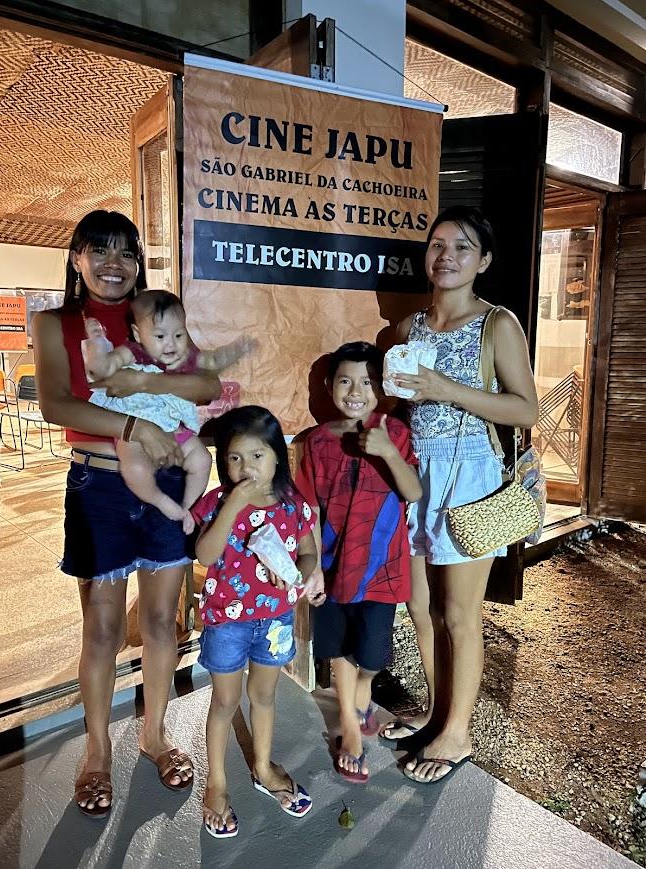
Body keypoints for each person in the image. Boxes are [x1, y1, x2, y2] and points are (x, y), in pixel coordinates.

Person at [34, 210, 221, 817]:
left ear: (139, 262)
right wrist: (135, 422)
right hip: (100, 487)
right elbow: (55, 404)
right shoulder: (55, 322)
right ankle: (95, 755)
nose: (114, 264)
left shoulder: (155, 316)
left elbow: (205, 385)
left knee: (164, 622)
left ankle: (154, 735)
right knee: (104, 629)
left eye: (126, 253)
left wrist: (149, 392)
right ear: (76, 258)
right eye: (99, 251)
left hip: (167, 480)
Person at [379, 206, 539, 785]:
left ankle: (458, 734)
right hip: (417, 474)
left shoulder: (497, 323)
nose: (446, 256)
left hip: (469, 475)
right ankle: (436, 710)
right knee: (419, 607)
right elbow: (401, 408)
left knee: (458, 613)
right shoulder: (409, 329)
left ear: (484, 261)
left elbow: (527, 407)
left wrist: (448, 388)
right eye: (438, 244)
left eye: (462, 247)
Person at [295, 342, 422, 784]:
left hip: (382, 566)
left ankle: (364, 690)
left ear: (382, 388)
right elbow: (307, 508)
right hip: (331, 567)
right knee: (336, 648)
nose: (356, 391)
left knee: (371, 653)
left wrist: (387, 449)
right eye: (346, 381)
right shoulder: (314, 443)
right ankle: (350, 727)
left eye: (368, 382)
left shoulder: (395, 433)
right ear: (330, 387)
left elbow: (413, 492)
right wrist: (311, 566)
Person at [192, 406, 322, 838]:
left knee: (264, 696)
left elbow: (307, 552)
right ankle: (217, 783)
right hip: (226, 622)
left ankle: (264, 768)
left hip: (276, 619)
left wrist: (300, 573)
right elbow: (205, 555)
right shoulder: (216, 502)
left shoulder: (293, 504)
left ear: (278, 457)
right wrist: (233, 504)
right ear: (222, 462)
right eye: (234, 458)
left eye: (257, 456)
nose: (245, 468)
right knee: (225, 703)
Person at [82, 289, 250, 533]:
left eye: (179, 334)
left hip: (174, 426)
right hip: (136, 429)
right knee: (135, 467)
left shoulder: (183, 356)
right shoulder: (132, 352)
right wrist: (98, 342)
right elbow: (103, 369)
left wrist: (236, 350)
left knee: (202, 459)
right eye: (160, 336)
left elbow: (212, 364)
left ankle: (187, 508)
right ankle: (162, 502)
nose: (171, 343)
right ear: (139, 334)